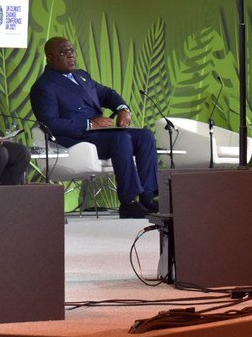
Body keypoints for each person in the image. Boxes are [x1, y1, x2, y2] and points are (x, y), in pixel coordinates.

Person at [29, 36, 159, 218]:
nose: (71, 56)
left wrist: (123, 109)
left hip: (100, 134)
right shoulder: (44, 86)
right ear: (50, 58)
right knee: (121, 137)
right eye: (63, 52)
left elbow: (107, 93)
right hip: (75, 138)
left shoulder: (81, 75)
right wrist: (89, 123)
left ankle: (148, 196)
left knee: (145, 135)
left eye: (72, 51)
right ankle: (128, 202)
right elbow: (51, 123)